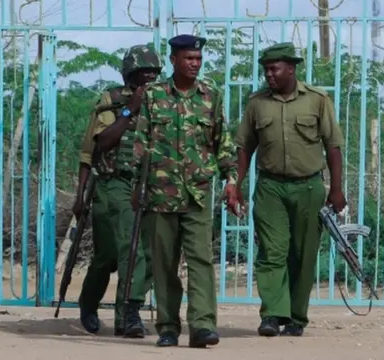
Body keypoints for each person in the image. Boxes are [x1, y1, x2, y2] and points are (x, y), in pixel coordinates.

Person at [132, 34, 240, 348]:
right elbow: (141, 144)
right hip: (160, 193)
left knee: (201, 260)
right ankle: (167, 327)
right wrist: (137, 187)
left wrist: (231, 180)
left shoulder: (211, 95)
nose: (195, 64)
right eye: (188, 58)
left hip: (199, 192)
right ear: (174, 60)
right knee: (164, 263)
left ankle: (203, 325)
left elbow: (223, 143)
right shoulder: (154, 95)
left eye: (198, 59)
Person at [233, 42, 347, 337]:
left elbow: (332, 146)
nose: (269, 75)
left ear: (291, 69)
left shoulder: (317, 100)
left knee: (303, 253)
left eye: (274, 69)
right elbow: (244, 147)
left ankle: (296, 317)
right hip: (270, 187)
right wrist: (237, 184)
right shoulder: (257, 103)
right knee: (272, 251)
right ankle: (272, 314)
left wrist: (336, 188)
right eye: (266, 69)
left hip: (308, 186)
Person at [73, 44, 162, 338]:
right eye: (143, 72)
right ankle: (89, 302)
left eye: (154, 72)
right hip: (114, 184)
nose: (149, 77)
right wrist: (130, 110)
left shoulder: (164, 102)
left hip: (150, 185)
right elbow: (98, 147)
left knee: (142, 253)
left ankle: (128, 315)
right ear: (129, 74)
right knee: (111, 255)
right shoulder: (111, 102)